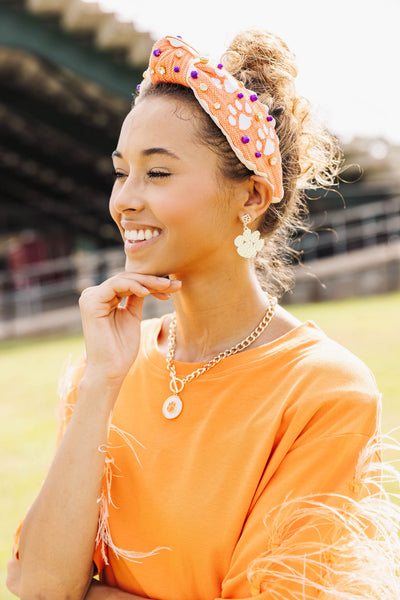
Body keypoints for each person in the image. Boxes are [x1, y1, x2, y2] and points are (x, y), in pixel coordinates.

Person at [7, 32, 400, 600]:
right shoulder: (106, 372)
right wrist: (101, 383)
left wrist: (87, 593)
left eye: (158, 173)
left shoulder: (325, 393)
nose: (124, 200)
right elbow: (41, 584)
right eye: (122, 172)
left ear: (250, 197)